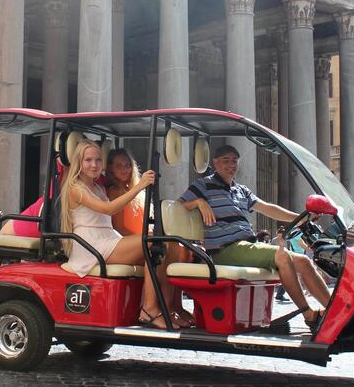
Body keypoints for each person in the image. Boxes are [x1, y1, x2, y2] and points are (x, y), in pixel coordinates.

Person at [178, 144, 330, 330]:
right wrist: (199, 202)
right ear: (215, 163)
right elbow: (178, 206)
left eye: (234, 160)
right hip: (225, 249)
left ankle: (333, 312)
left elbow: (268, 209)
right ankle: (308, 314)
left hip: (246, 246)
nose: (231, 164)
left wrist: (301, 217)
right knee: (283, 256)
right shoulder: (203, 185)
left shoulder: (241, 190)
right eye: (226, 160)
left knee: (304, 262)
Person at [60, 139, 171, 328]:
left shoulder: (97, 187)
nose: (94, 165)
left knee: (162, 251)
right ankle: (149, 309)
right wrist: (140, 186)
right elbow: (109, 209)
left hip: (107, 239)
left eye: (97, 160)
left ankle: (165, 306)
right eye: (88, 160)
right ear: (79, 162)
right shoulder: (75, 189)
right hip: (91, 245)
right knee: (152, 242)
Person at [104, 147, 193, 327]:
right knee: (161, 246)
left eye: (127, 165)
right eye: (119, 165)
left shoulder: (139, 192)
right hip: (127, 244)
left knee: (178, 246)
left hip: (141, 240)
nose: (124, 169)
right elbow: (119, 227)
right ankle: (153, 308)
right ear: (111, 169)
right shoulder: (115, 192)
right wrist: (143, 240)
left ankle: (172, 306)